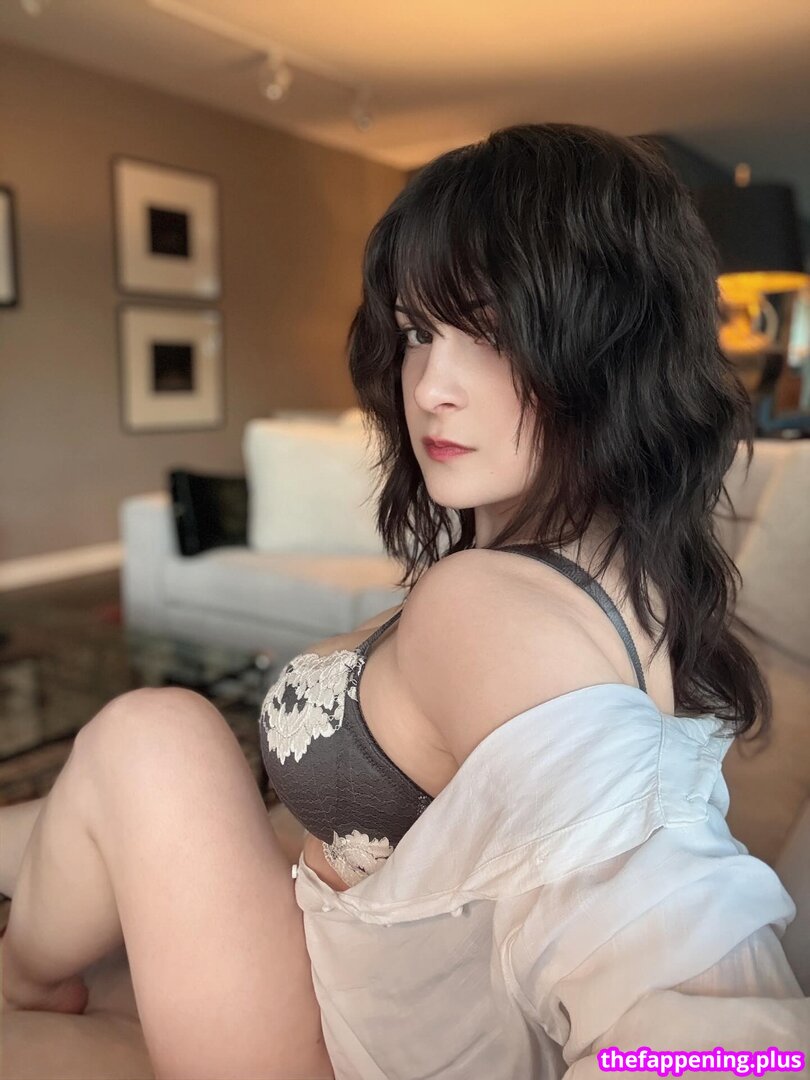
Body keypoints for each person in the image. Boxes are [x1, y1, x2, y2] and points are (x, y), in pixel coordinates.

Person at [1, 121, 808, 1080]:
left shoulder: (495, 613)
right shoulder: (632, 565)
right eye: (420, 331)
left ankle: (19, 977)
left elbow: (711, 1015)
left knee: (152, 737)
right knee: (109, 779)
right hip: (354, 962)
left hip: (327, 1046)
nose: (429, 387)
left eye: (494, 333)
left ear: (613, 347)